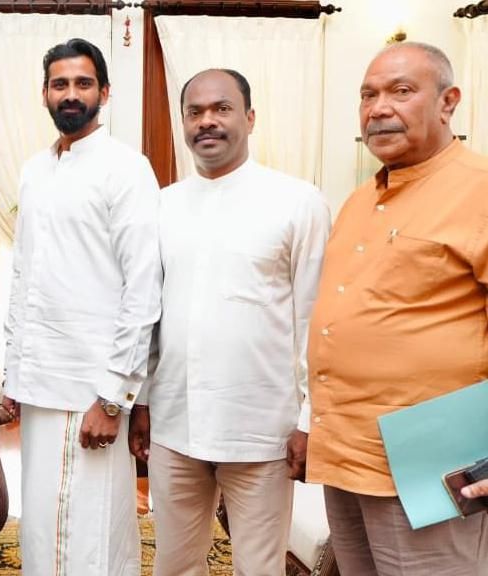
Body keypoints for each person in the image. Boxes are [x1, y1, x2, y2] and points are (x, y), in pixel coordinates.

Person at [307, 41, 488, 575]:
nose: (378, 108)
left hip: (433, 466)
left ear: (448, 102)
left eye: (401, 91)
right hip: (348, 456)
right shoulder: (359, 200)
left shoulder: (479, 191)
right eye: (368, 95)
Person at [144, 68, 329, 576]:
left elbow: (316, 320)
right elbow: (149, 315)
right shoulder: (162, 205)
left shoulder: (298, 202)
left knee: (259, 567)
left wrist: (310, 419)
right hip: (176, 424)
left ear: (250, 117)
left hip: (262, 429)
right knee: (174, 565)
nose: (207, 121)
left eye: (221, 109)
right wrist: (142, 403)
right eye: (195, 112)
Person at [2, 38, 161, 575]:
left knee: (90, 535)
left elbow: (143, 288)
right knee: (42, 529)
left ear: (105, 93)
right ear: (45, 94)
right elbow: (24, 276)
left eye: (83, 83)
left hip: (91, 388)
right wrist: (15, 373)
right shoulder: (34, 170)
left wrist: (114, 397)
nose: (70, 94)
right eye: (60, 84)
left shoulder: (126, 168)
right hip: (39, 384)